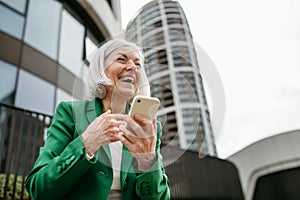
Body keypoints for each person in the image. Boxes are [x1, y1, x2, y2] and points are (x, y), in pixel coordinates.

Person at [24, 38, 170, 200]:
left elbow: (161, 197)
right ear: (100, 69)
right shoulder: (70, 113)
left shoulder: (147, 127)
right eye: (121, 59)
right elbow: (38, 188)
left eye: (138, 64)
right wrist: (86, 144)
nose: (132, 68)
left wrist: (148, 161)